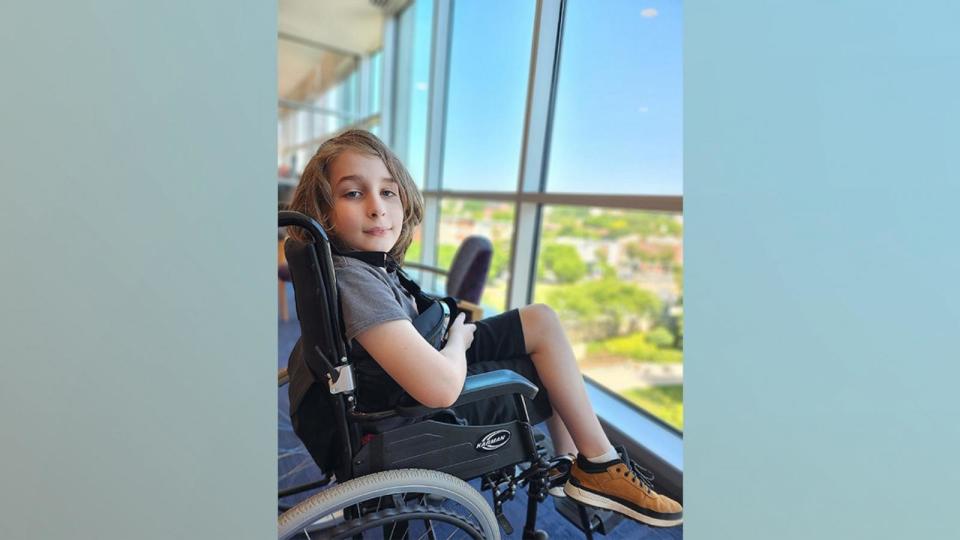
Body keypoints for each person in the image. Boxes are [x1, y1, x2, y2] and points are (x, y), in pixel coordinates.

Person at [286, 129, 682, 528]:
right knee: (550, 373)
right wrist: (457, 341)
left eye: (388, 192)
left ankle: (579, 465)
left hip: (408, 362)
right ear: (323, 212)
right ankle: (597, 465)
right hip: (412, 403)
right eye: (353, 193)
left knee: (540, 320)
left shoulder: (357, 264)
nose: (377, 208)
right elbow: (439, 388)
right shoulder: (356, 280)